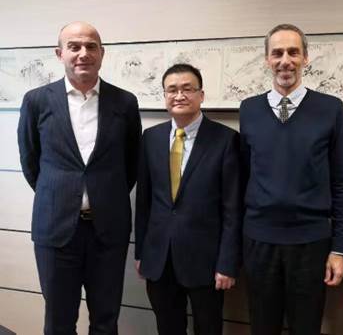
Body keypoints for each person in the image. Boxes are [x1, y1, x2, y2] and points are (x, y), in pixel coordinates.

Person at [17, 21, 142, 334]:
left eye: (91, 46)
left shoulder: (125, 103)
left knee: (106, 321)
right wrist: (63, 195)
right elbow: (31, 162)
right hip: (56, 229)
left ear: (102, 53)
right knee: (58, 322)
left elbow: (130, 165)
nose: (83, 53)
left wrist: (102, 195)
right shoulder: (37, 101)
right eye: (74, 46)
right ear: (59, 54)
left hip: (107, 231)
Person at [239, 23, 343, 335]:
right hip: (259, 240)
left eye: (293, 52)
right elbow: (244, 177)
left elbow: (342, 183)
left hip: (311, 242)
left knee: (306, 326)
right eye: (277, 53)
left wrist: (340, 249)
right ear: (267, 59)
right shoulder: (249, 109)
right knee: (262, 327)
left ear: (305, 58)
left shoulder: (330, 109)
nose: (285, 61)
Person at [134, 63, 241, 335]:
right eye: (172, 90)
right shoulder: (151, 138)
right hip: (159, 259)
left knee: (208, 328)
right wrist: (141, 252)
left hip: (207, 261)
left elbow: (232, 209)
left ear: (201, 95)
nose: (179, 95)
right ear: (164, 96)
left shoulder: (226, 140)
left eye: (187, 89)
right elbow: (144, 201)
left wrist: (227, 262)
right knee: (168, 328)